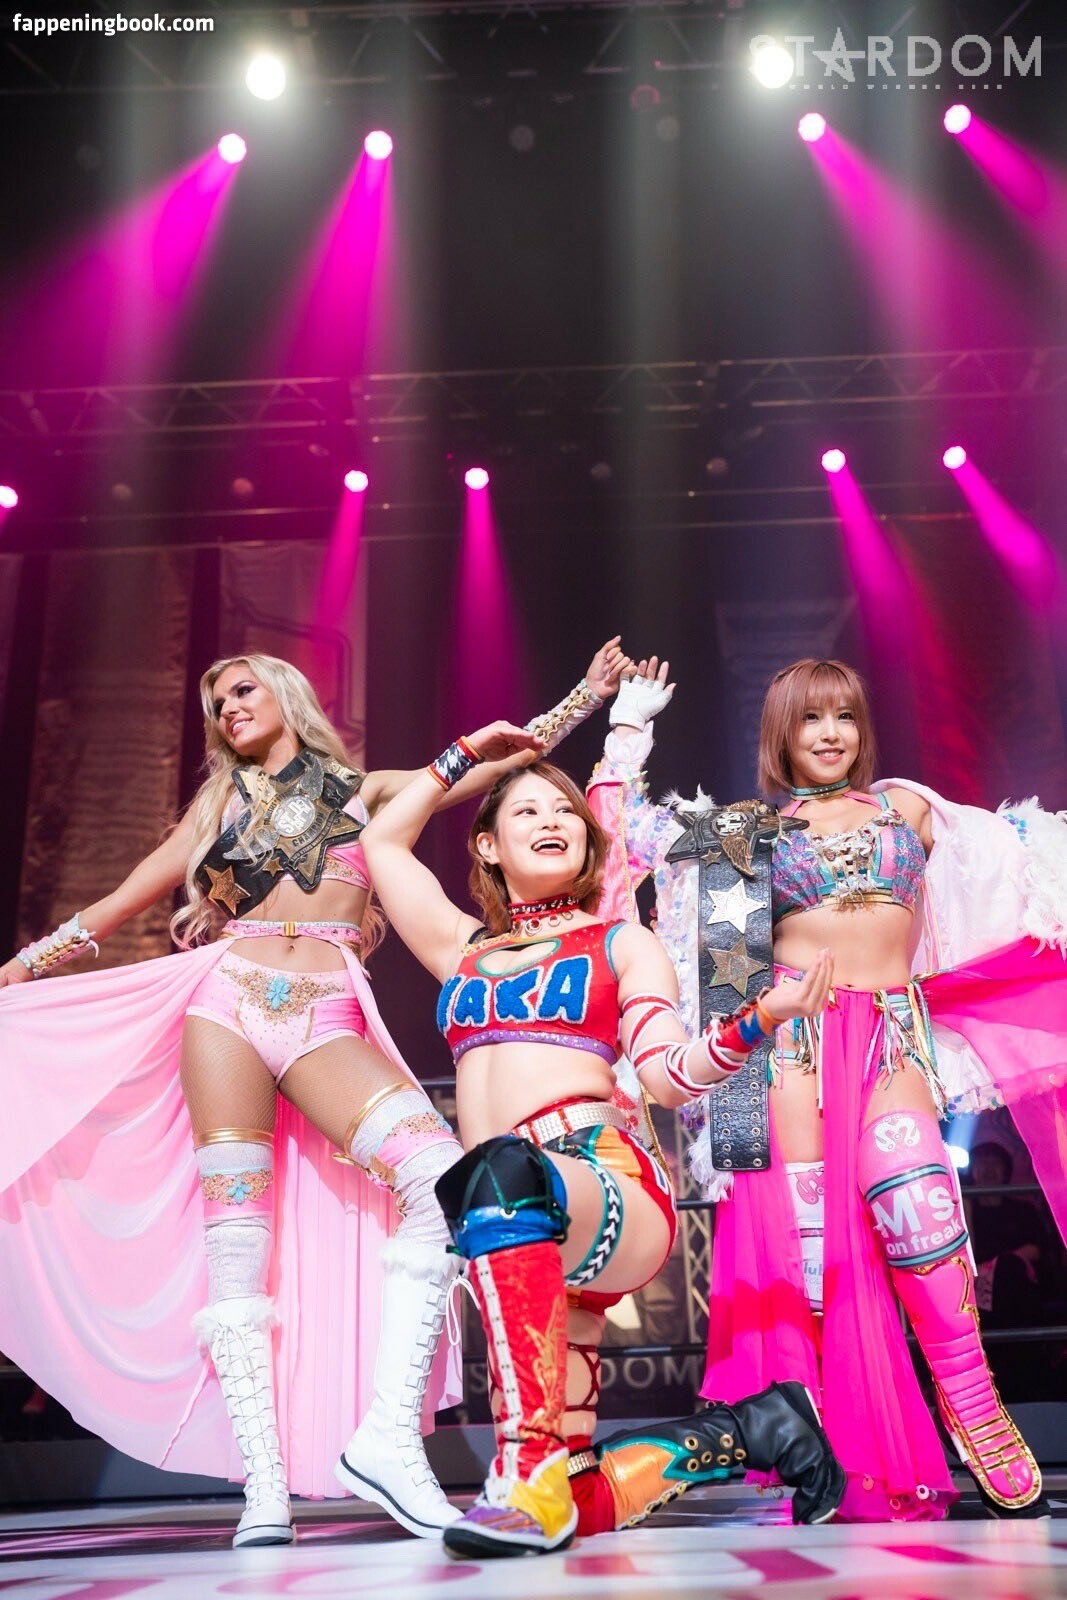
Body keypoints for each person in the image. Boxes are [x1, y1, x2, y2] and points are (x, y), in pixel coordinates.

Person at [0, 643, 628, 1546]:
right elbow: (125, 897)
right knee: (236, 1248)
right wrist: (22, 968)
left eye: (242, 689)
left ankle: (388, 1439)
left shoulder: (365, 792)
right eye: (216, 702)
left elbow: (493, 767)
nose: (227, 707)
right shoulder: (214, 810)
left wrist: (582, 698)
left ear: (287, 696)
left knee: (438, 1176)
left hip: (323, 1014)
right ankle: (263, 1491)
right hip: (225, 1004)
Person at [588, 656, 1067, 1521]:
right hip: (788, 1047)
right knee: (810, 1257)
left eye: (843, 715)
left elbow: (1028, 859)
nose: (830, 733)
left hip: (889, 1034)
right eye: (810, 718)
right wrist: (626, 730)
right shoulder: (744, 832)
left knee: (919, 1204)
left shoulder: (907, 808)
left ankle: (974, 1406)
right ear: (781, 733)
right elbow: (620, 837)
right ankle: (828, 1446)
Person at [360, 722, 846, 1558]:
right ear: (487, 844)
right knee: (579, 1496)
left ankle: (521, 1482)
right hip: (516, 1228)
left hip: (601, 1181)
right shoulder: (460, 950)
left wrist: (757, 1020)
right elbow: (381, 840)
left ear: (588, 841)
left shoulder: (621, 942)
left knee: (496, 1176)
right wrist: (466, 754)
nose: (552, 820)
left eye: (565, 811)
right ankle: (753, 1429)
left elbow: (667, 1077)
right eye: (526, 811)